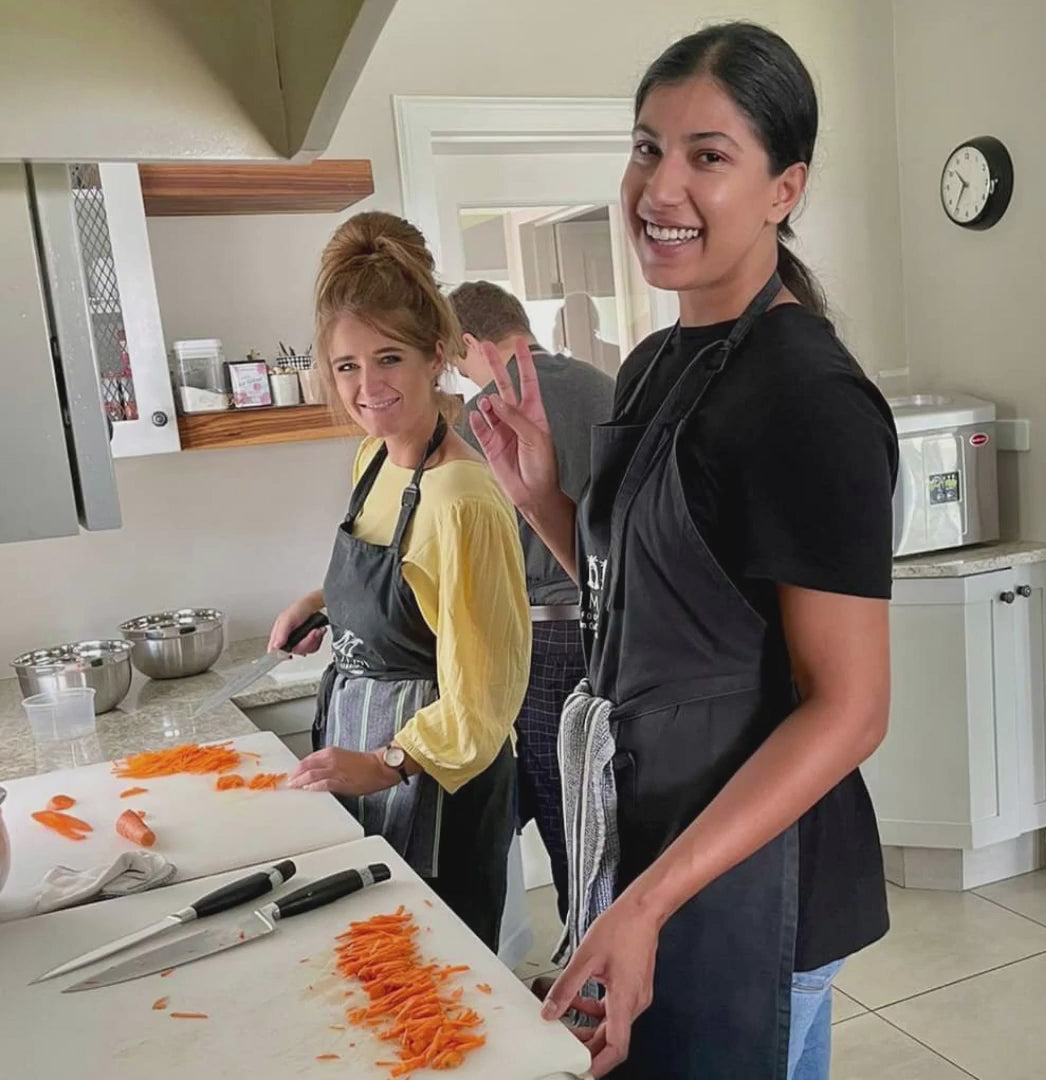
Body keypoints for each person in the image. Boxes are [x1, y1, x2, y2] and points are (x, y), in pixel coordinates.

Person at [469, 22, 897, 1080]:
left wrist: (651, 899)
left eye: (709, 155)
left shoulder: (809, 399)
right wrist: (544, 505)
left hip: (761, 878)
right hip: (653, 842)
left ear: (783, 188)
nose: (660, 187)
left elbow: (850, 709)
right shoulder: (661, 357)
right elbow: (654, 610)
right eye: (647, 147)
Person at [273, 212, 530, 952]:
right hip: (361, 743)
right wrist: (323, 605)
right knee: (376, 961)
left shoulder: (462, 498)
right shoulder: (376, 459)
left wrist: (387, 764)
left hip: (432, 776)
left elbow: (485, 695)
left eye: (388, 358)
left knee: (441, 980)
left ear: (436, 356)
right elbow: (407, 583)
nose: (366, 386)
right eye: (347, 366)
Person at [450, 280, 615, 922]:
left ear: (469, 342)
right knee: (609, 814)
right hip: (615, 629)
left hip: (541, 640)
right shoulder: (609, 388)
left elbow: (468, 555)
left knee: (561, 814)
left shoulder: (480, 419)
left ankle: (586, 960)